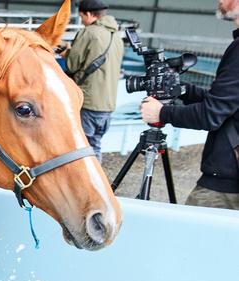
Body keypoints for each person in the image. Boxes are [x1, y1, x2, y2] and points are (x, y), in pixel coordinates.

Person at [140, 0, 239, 210]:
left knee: (187, 239)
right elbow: (227, 104)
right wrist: (182, 90)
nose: (220, 0)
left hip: (226, 185)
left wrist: (162, 113)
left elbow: (211, 115)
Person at [61, 0, 124, 162]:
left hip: (89, 102)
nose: (81, 20)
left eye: (81, 16)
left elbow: (72, 65)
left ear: (88, 14)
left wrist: (67, 52)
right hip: (108, 105)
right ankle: (96, 182)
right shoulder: (116, 36)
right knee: (94, 145)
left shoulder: (89, 33)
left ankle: (79, 183)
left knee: (79, 148)